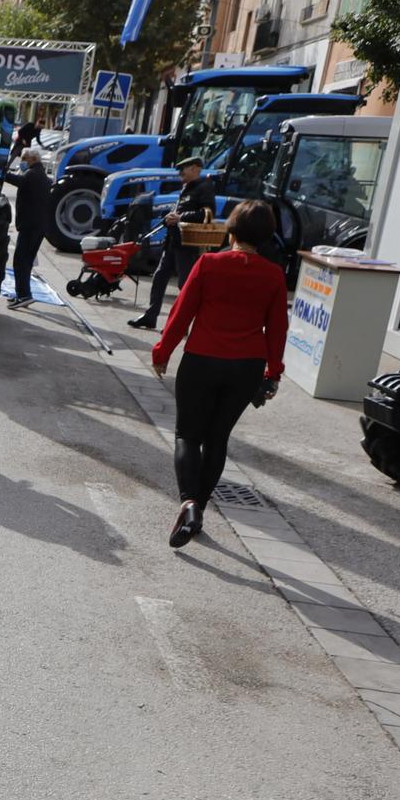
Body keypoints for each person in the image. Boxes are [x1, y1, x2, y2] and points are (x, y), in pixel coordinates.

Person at [150, 199, 288, 548]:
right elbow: (277, 330)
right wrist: (273, 372)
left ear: (232, 229)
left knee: (187, 435)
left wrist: (162, 352)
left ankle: (188, 503)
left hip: (202, 359)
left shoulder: (209, 264)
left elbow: (181, 313)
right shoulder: (273, 276)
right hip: (247, 367)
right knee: (217, 439)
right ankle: (201, 507)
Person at [129, 156, 216, 330]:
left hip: (188, 244)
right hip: (173, 241)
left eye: (183, 169)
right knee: (159, 278)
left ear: (195, 168)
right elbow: (182, 211)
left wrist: (180, 217)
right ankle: (150, 316)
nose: (180, 173)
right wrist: (169, 217)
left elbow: (207, 214)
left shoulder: (204, 188)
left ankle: (181, 325)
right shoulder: (187, 188)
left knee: (184, 285)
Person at [0, 149, 50, 308]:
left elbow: (17, 181)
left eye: (24, 159)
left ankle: (24, 295)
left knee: (21, 261)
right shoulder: (42, 176)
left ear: (33, 159)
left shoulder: (32, 175)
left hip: (30, 226)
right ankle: (23, 293)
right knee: (26, 261)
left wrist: (1, 172)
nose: (22, 162)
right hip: (38, 226)